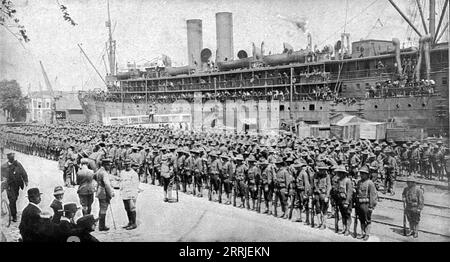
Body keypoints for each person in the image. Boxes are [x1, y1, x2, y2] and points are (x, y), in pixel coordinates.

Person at [2, 152, 28, 222]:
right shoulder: (4, 167)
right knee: (12, 200)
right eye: (11, 157)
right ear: (8, 158)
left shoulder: (18, 164)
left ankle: (12, 210)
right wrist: (3, 181)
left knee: (14, 199)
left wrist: (26, 180)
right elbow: (1, 176)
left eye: (13, 157)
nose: (12, 158)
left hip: (17, 186)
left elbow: (23, 172)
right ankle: (14, 215)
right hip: (9, 186)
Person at [355, 166, 377, 241]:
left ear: (367, 174)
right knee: (361, 219)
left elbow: (373, 195)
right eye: (361, 173)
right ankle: (363, 233)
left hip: (366, 204)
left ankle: (367, 234)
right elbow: (357, 193)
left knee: (367, 220)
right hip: (359, 204)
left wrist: (371, 206)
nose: (362, 175)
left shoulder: (370, 183)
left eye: (363, 173)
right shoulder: (359, 182)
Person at [94, 158, 115, 231]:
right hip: (104, 192)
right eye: (108, 165)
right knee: (103, 209)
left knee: (101, 208)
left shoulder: (98, 171)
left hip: (99, 190)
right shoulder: (104, 173)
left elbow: (94, 177)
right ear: (105, 165)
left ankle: (101, 225)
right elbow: (107, 185)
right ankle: (102, 226)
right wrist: (110, 193)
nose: (109, 167)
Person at [332, 165, 353, 236]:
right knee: (343, 215)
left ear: (344, 173)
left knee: (347, 215)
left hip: (346, 201)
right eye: (338, 173)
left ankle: (347, 229)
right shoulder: (338, 180)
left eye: (340, 173)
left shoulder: (348, 181)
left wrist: (347, 202)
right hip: (340, 200)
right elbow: (336, 190)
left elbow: (350, 192)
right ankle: (344, 228)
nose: (339, 174)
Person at [119, 159, 139, 230]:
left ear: (130, 165)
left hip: (131, 193)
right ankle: (130, 222)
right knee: (127, 208)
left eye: (128, 164)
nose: (127, 166)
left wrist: (133, 195)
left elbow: (135, 185)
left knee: (132, 208)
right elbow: (121, 182)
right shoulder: (122, 172)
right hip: (124, 193)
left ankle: (134, 223)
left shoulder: (134, 174)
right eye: (126, 164)